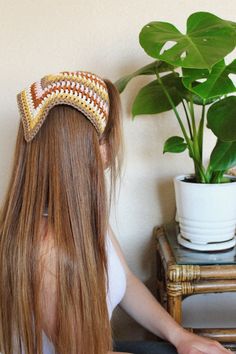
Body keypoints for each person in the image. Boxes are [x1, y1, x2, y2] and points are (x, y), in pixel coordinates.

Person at [0, 70, 230, 354]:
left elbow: (127, 283)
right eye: (109, 137)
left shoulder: (79, 215)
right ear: (87, 149)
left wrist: (180, 336)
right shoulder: (45, 250)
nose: (115, 148)